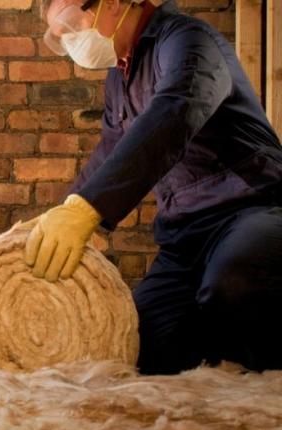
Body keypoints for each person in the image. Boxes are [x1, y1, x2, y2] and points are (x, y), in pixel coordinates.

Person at [27, 0, 282, 374]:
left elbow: (176, 110)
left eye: (70, 25)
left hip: (255, 210)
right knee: (142, 345)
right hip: (185, 237)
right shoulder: (120, 76)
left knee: (234, 285)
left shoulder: (188, 40)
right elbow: (111, 150)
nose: (70, 42)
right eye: (59, 37)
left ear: (114, 3)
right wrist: (64, 212)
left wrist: (88, 209)